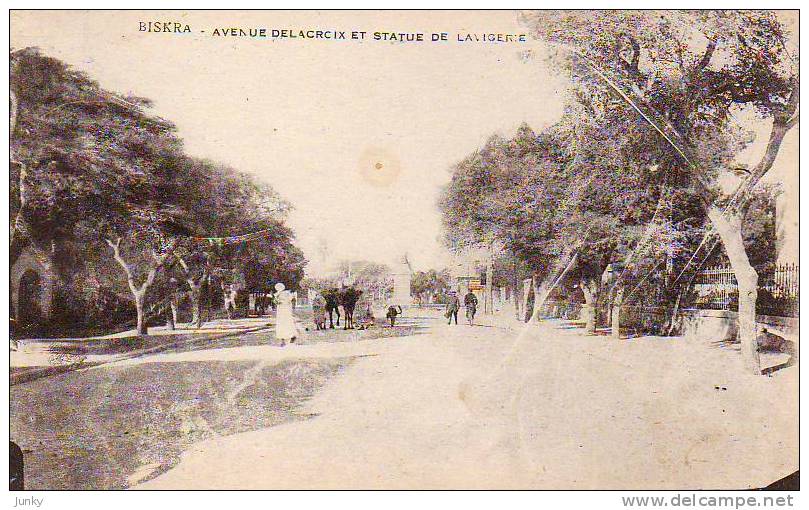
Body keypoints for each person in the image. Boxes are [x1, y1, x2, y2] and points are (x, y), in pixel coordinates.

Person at [273, 282, 298, 346]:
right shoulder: (278, 294)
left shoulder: (286, 293)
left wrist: (280, 301)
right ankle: (285, 339)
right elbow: (276, 302)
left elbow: (288, 301)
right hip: (282, 311)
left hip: (284, 311)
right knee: (284, 324)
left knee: (285, 324)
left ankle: (288, 337)